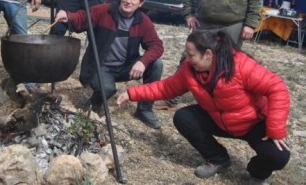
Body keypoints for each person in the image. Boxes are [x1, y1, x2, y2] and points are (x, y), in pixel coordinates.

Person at [116, 30, 290, 184]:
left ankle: (257, 174)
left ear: (208, 54)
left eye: (191, 55)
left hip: (252, 123)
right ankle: (217, 158)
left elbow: (278, 89)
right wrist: (131, 94)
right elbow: (166, 88)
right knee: (183, 117)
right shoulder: (189, 69)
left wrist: (275, 128)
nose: (188, 59)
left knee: (279, 156)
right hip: (220, 120)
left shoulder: (240, 66)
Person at [54, 0, 164, 129]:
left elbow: (156, 46)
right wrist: (67, 15)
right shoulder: (104, 11)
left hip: (126, 67)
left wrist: (143, 62)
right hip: (100, 65)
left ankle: (144, 110)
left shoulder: (143, 21)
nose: (128, 1)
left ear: (141, 2)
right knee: (107, 88)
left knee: (156, 64)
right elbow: (82, 17)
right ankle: (95, 103)